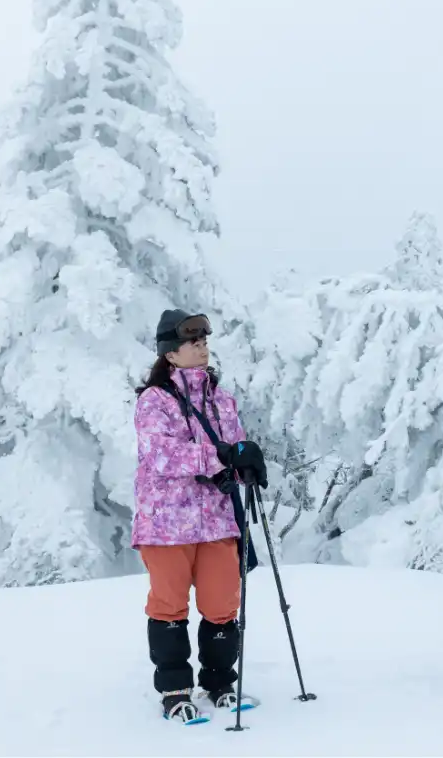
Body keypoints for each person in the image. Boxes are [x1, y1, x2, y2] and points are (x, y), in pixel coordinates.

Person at [132, 309, 268, 723]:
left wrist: (246, 459)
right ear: (171, 355)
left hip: (217, 517)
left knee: (222, 602)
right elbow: (161, 455)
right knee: (170, 605)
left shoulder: (220, 397)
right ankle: (175, 690)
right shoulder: (154, 400)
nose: (203, 348)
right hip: (166, 522)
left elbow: (233, 444)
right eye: (193, 343)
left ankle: (220, 681)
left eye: (205, 341)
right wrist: (219, 455)